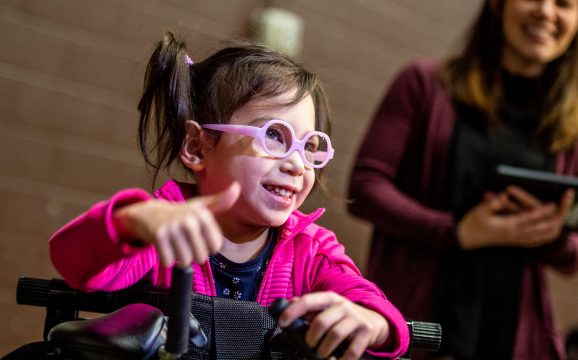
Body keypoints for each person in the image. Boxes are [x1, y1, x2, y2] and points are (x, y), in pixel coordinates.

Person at [48, 32, 410, 359]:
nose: (298, 165)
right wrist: (131, 224)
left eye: (309, 146)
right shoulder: (162, 230)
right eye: (273, 136)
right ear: (196, 146)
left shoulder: (311, 250)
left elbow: (368, 302)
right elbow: (75, 263)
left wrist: (372, 320)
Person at [347, 0, 578, 359]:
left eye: (564, 3)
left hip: (513, 333)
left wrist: (549, 236)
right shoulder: (424, 83)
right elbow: (365, 188)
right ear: (498, 6)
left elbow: (573, 249)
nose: (546, 12)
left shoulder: (571, 127)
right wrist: (456, 231)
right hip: (418, 320)